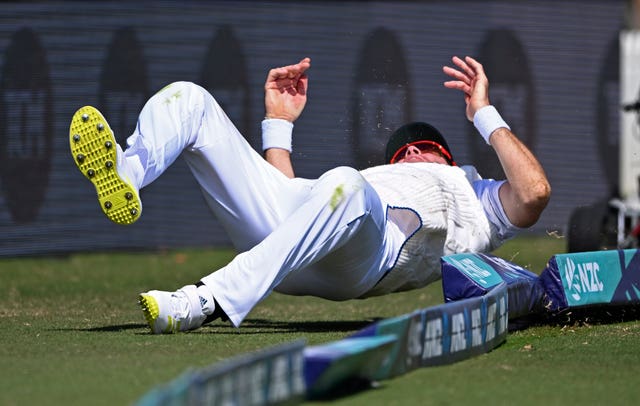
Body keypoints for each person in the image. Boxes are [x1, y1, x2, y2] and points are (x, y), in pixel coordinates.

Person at [69, 55, 550, 334]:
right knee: (189, 98)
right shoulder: (374, 177)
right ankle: (128, 170)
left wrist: (483, 115)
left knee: (344, 185)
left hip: (367, 259)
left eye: (427, 149)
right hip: (312, 233)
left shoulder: (475, 195)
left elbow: (534, 194)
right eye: (405, 152)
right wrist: (278, 123)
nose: (415, 155)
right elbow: (290, 201)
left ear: (448, 159)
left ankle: (206, 299)